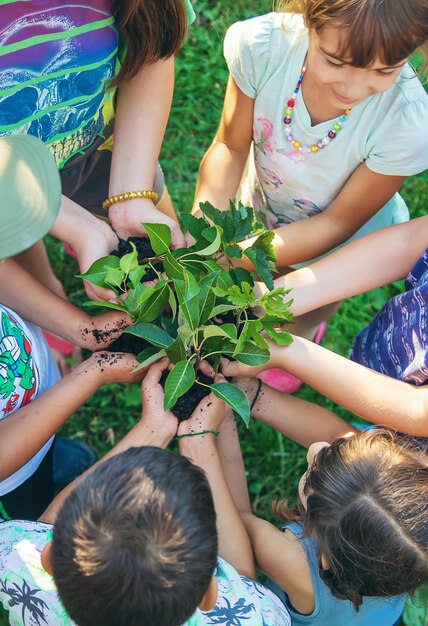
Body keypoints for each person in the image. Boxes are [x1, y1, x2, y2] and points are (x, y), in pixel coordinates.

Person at [190, 0, 428, 360]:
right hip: (270, 201)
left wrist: (237, 255)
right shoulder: (265, 49)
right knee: (266, 276)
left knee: (311, 298)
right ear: (308, 15)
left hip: (344, 237)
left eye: (384, 70)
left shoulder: (405, 124)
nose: (354, 87)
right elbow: (230, 145)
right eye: (335, 61)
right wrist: (208, 224)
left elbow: (337, 222)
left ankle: (301, 331)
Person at [0, 359, 292, 626]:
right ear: (208, 594)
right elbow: (242, 580)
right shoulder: (255, 619)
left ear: (49, 558)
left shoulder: (15, 564)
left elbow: (44, 526)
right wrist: (197, 443)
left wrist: (152, 429)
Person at [1, 0, 194, 364]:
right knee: (12, 237)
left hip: (93, 150)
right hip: (4, 188)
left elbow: (152, 47)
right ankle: (47, 289)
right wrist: (74, 226)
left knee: (167, 259)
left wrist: (130, 195)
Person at [0, 134, 143, 520]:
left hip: (25, 386)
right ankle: (33, 472)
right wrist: (92, 373)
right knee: (27, 500)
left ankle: (46, 444)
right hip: (7, 472)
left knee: (40, 450)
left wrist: (82, 328)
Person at [210, 411, 428, 625]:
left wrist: (223, 417)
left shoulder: (292, 563)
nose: (318, 447)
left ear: (325, 559)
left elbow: (235, 517)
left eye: (314, 473)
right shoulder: (407, 550)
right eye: (339, 449)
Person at [225, 216, 428, 443]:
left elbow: (417, 408)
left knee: (382, 457)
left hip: (415, 421)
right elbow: (407, 242)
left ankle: (381, 439)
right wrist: (270, 301)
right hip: (393, 356)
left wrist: (285, 351)